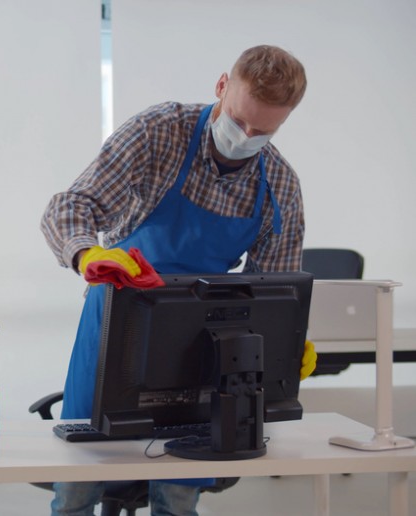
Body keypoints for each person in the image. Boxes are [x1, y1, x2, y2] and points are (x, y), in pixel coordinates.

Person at [40, 45, 316, 515]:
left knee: (179, 490)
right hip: (117, 317)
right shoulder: (159, 132)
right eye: (238, 120)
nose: (246, 136)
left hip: (202, 340)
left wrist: (285, 349)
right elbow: (71, 205)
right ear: (222, 86)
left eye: (262, 131)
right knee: (80, 480)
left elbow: (277, 290)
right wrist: (89, 255)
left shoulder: (281, 187)